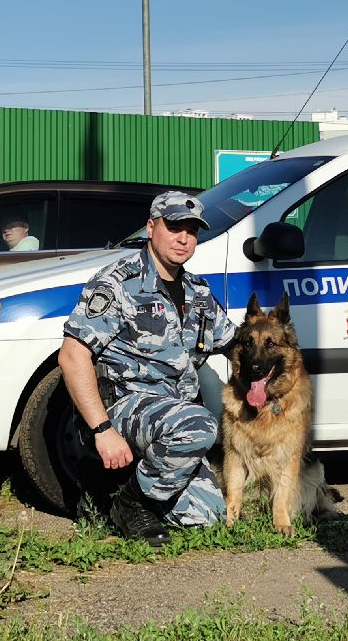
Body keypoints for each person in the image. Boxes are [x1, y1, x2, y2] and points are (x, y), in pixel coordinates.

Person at [59, 191, 236, 546]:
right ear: (151, 228)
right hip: (124, 407)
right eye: (174, 227)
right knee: (199, 424)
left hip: (174, 415)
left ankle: (112, 491)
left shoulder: (198, 292)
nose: (183, 238)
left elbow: (236, 343)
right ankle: (132, 504)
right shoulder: (117, 283)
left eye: (191, 231)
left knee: (207, 516)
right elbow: (72, 356)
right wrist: (103, 430)